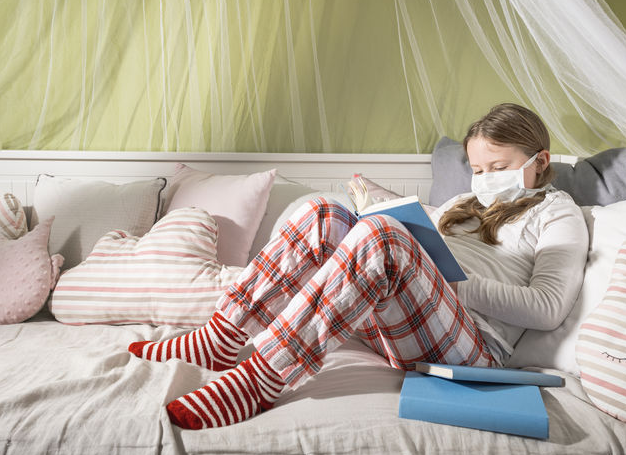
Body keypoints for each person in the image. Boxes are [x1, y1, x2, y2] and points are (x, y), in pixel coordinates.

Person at [127, 103, 589, 430]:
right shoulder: (463, 202)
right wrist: (380, 204)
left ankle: (262, 378)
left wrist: (454, 286)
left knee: (381, 239)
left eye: (499, 166)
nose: (486, 180)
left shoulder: (557, 211)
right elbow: (421, 242)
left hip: (472, 346)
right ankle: (222, 337)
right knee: (324, 213)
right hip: (409, 321)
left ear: (539, 161)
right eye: (478, 169)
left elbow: (547, 307)